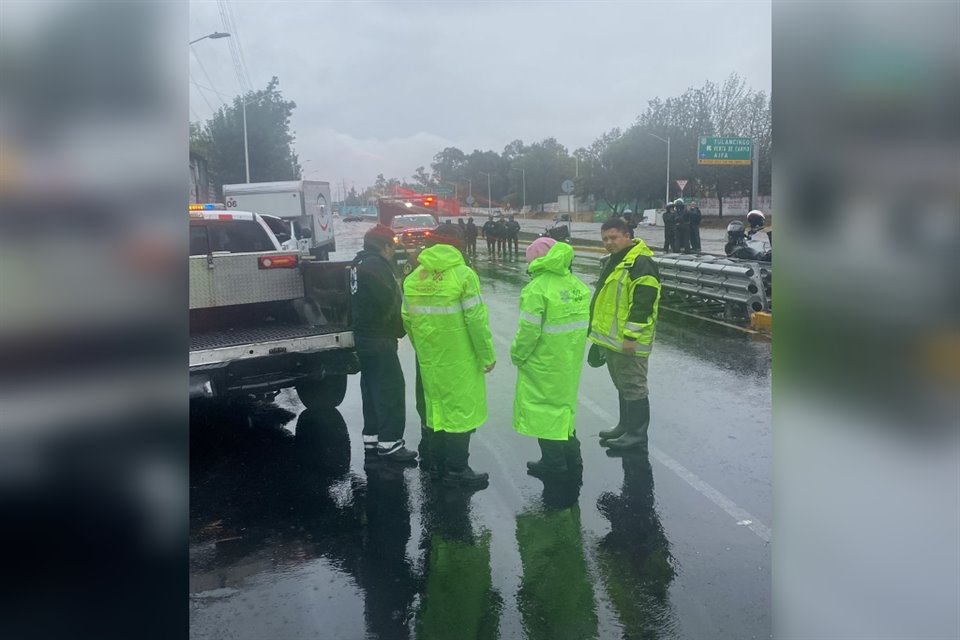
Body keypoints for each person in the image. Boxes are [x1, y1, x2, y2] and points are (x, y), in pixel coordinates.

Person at [402, 229, 497, 489]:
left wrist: (423, 347)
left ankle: (437, 467)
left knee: (435, 411)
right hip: (459, 358)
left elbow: (408, 320)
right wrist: (486, 355)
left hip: (429, 359)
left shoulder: (414, 277)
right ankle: (457, 470)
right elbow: (476, 320)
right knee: (460, 413)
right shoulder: (464, 275)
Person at [511, 237, 591, 476]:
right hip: (569, 360)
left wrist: (517, 355)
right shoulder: (576, 284)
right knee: (564, 409)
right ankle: (572, 457)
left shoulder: (537, 288)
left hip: (543, 362)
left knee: (544, 412)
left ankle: (553, 463)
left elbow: (528, 332)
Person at [589, 217, 661, 451]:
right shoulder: (615, 260)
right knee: (622, 384)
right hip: (613, 341)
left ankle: (637, 435)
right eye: (605, 239)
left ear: (628, 237)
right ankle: (625, 426)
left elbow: (643, 303)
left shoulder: (640, 263)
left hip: (630, 341)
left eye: (613, 237)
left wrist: (631, 337)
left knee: (633, 386)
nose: (609, 243)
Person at [350, 224, 418, 462]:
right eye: (392, 246)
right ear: (385, 246)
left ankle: (372, 437)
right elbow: (390, 302)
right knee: (391, 389)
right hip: (379, 337)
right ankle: (390, 443)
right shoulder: (377, 266)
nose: (393, 251)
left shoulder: (358, 264)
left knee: (370, 389)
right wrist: (400, 329)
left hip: (363, 336)